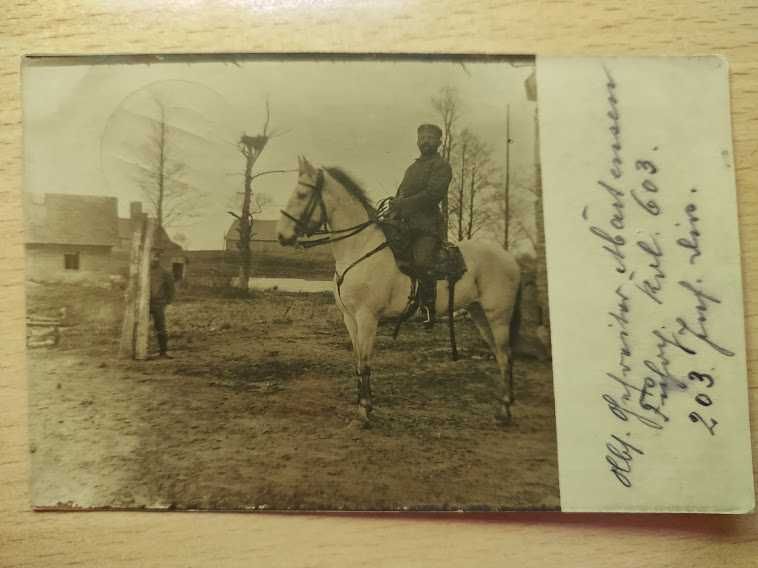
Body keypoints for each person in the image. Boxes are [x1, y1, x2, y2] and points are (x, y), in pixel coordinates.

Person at [389, 123, 453, 326]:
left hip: (427, 226)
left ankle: (428, 309)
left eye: (430, 138)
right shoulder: (412, 168)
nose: (425, 141)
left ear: (439, 142)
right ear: (417, 141)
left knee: (423, 262)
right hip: (405, 225)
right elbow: (402, 194)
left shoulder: (441, 166)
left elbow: (433, 195)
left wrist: (404, 203)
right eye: (422, 137)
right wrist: (392, 210)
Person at [149, 247, 175, 358]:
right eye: (152, 256)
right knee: (139, 326)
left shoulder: (164, 273)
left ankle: (163, 351)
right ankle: (140, 350)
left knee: (160, 327)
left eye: (156, 256)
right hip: (143, 304)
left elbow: (171, 289)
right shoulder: (143, 271)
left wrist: (166, 302)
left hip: (158, 304)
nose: (154, 259)